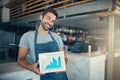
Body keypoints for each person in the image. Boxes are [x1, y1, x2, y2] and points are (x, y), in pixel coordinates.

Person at [17, 8, 68, 80]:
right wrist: (31, 67)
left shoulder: (57, 38)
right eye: (48, 18)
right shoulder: (27, 37)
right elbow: (20, 59)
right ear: (41, 17)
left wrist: (63, 64)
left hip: (60, 76)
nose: (50, 22)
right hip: (42, 76)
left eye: (53, 21)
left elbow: (64, 58)